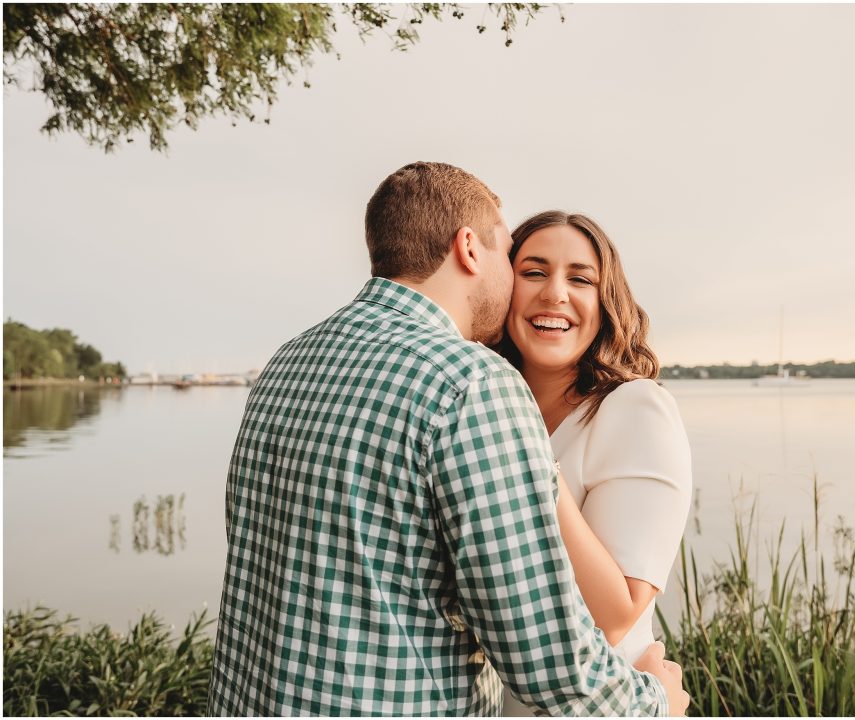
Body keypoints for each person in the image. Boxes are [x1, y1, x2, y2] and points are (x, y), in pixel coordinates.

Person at [207, 162, 689, 716]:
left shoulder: (288, 360)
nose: (538, 290)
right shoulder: (470, 384)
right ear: (469, 249)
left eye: (580, 278)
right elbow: (546, 654)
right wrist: (653, 707)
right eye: (516, 261)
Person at [497, 211, 692, 715]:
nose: (555, 293)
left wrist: (524, 448)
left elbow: (616, 614)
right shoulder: (477, 410)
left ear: (605, 305)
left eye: (580, 278)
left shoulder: (633, 408)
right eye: (534, 272)